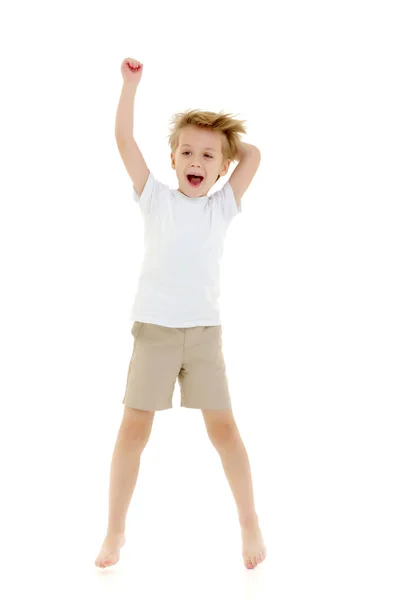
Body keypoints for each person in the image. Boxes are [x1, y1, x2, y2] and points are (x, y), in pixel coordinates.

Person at [95, 57, 266, 570]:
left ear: (222, 166)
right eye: (186, 152)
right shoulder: (156, 199)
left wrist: (227, 141)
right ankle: (115, 530)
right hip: (155, 335)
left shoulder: (222, 207)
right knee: (133, 430)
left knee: (225, 431)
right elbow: (124, 141)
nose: (196, 160)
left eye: (208, 155)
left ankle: (249, 520)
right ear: (172, 161)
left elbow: (255, 155)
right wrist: (131, 87)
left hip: (204, 336)